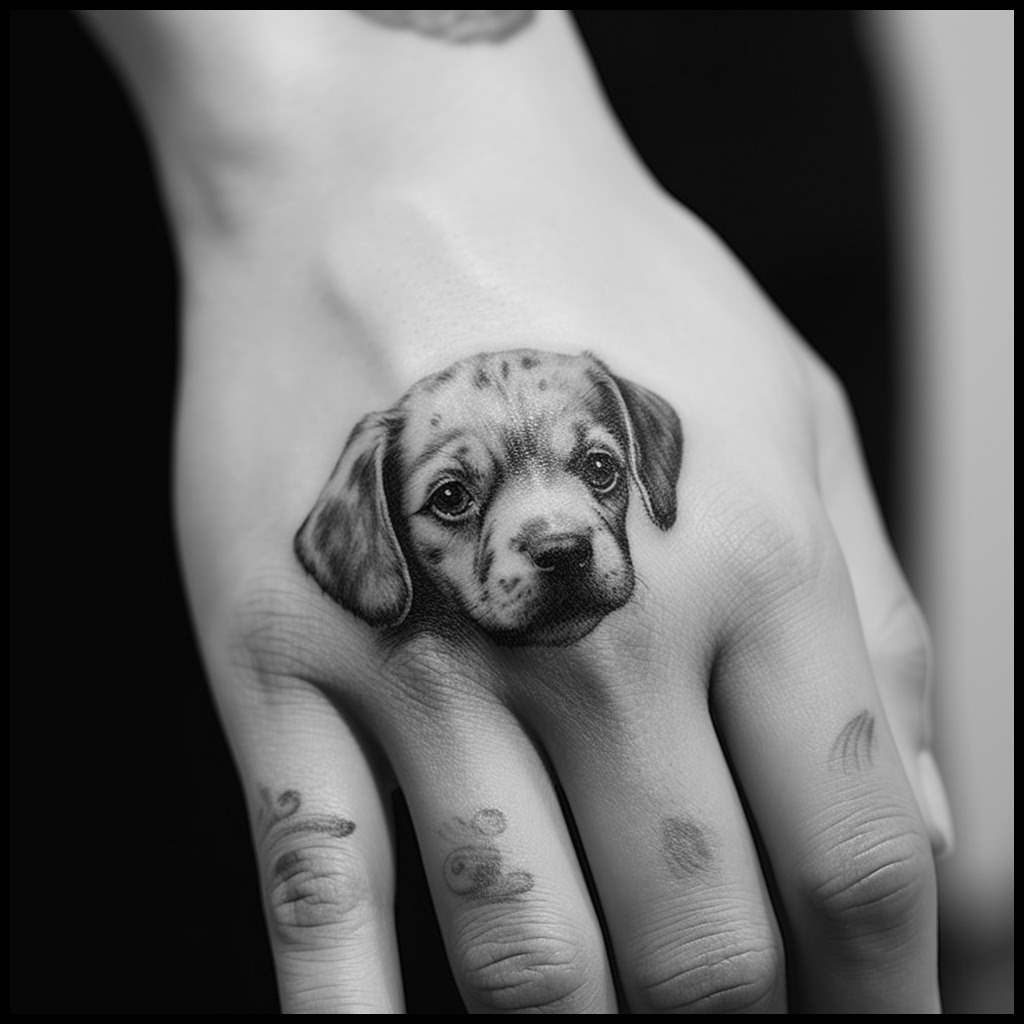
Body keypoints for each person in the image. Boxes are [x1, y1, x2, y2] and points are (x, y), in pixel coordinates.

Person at [82, 10, 952, 1012]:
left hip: (736, 111)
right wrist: (305, 118)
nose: (553, 528)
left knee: (829, 887)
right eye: (453, 496)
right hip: (179, 154)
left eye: (595, 467)